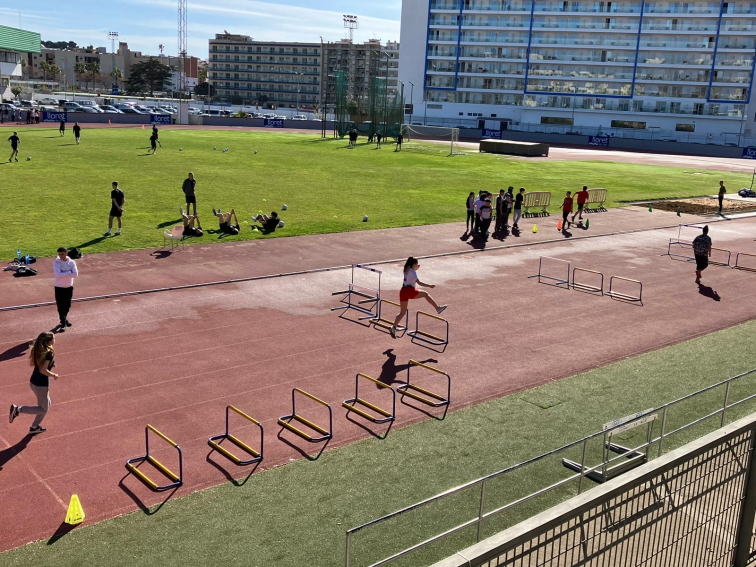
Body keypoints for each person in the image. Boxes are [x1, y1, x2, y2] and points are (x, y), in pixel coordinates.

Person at [8, 332, 59, 435]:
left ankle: (35, 427)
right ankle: (18, 409)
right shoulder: (49, 353)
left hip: (34, 381)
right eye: (53, 338)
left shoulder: (38, 350)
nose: (55, 340)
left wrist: (50, 364)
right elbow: (43, 370)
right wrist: (53, 375)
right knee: (43, 409)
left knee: (47, 404)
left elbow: (33, 363)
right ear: (49, 341)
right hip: (41, 384)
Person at [390, 257, 447, 339]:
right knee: (425, 294)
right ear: (414, 264)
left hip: (403, 291)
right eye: (416, 264)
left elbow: (411, 276)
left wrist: (416, 268)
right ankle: (437, 308)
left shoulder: (406, 269)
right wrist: (429, 286)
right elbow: (419, 282)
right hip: (410, 291)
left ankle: (394, 327)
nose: (417, 265)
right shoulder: (413, 272)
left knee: (402, 312)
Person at [53, 247, 78, 331]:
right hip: (59, 287)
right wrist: (69, 272)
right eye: (59, 254)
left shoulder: (71, 262)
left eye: (62, 254)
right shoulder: (56, 262)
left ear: (66, 253)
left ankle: (64, 319)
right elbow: (57, 275)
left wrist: (63, 273)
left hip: (69, 287)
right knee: (60, 306)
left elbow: (75, 274)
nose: (61, 256)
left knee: (67, 305)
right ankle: (63, 322)